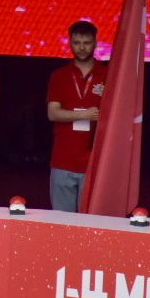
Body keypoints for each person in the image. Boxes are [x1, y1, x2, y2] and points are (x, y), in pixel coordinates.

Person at [47, 20, 107, 211]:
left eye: (86, 43)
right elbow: (52, 113)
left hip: (94, 161)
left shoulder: (108, 75)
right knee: (61, 220)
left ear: (95, 43)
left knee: (90, 220)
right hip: (63, 159)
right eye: (77, 43)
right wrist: (84, 115)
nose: (81, 48)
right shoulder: (60, 75)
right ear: (70, 43)